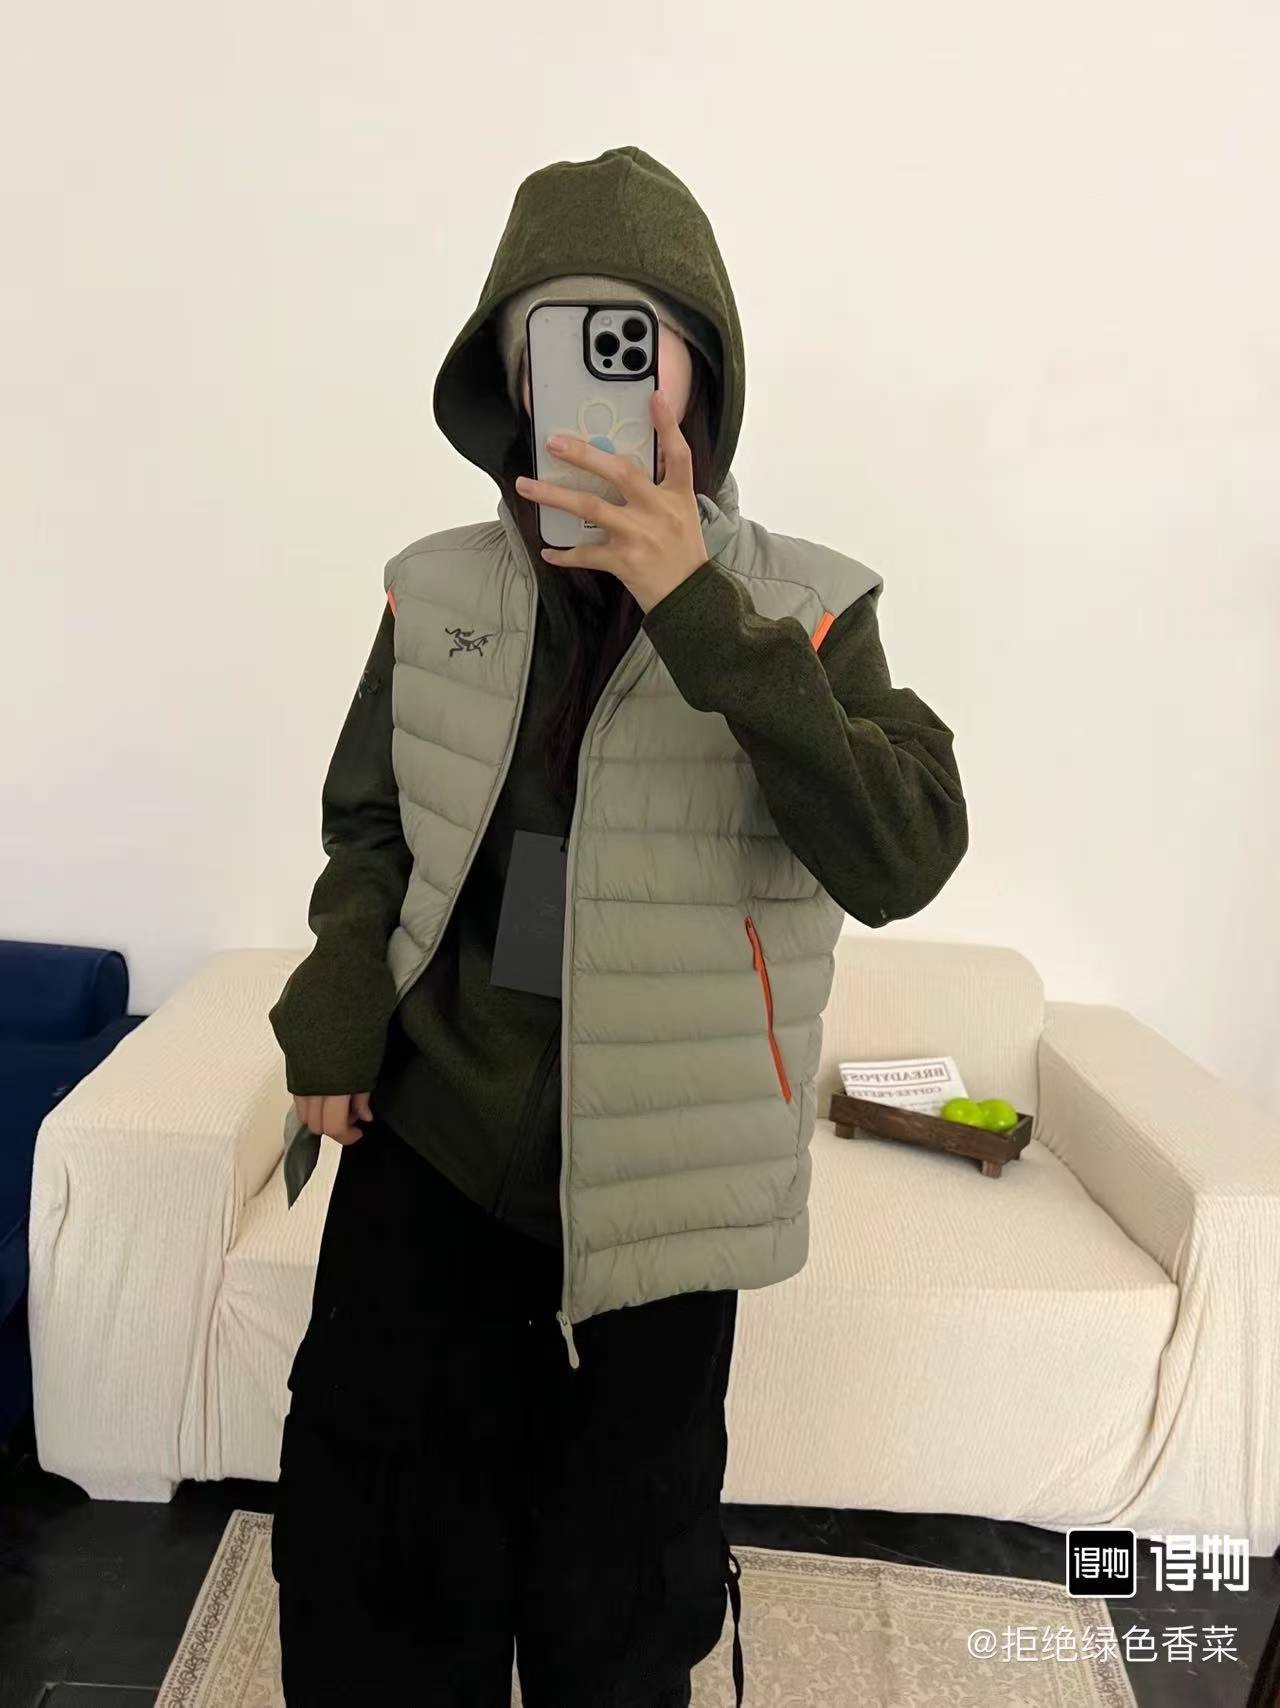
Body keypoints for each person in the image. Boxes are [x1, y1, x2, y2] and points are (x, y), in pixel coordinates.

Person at [267, 143, 969, 1708]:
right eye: (558, 346)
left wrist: (701, 607)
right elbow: (371, 825)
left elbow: (905, 853)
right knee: (376, 1596)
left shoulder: (813, 609)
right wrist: (335, 1000)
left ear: (698, 375)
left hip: (664, 1218)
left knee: (616, 1632)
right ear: (511, 384)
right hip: (428, 1170)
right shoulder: (433, 590)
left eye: (633, 344)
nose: (598, 384)